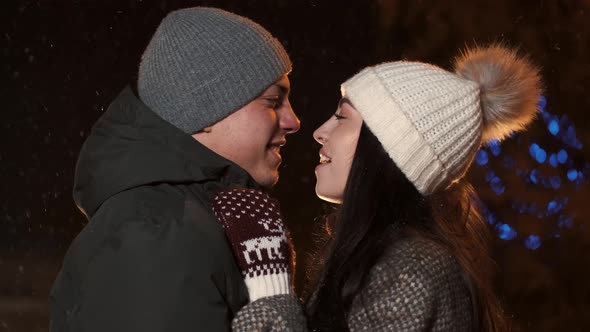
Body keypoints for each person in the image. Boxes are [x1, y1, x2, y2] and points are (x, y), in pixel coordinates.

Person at [213, 44, 542, 331]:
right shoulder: (389, 258)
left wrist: (271, 288)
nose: (320, 132)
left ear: (387, 147)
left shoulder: (412, 269)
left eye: (342, 118)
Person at [49, 7, 300, 332]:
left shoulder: (202, 219)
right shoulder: (157, 230)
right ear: (207, 109)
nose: (293, 121)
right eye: (272, 101)